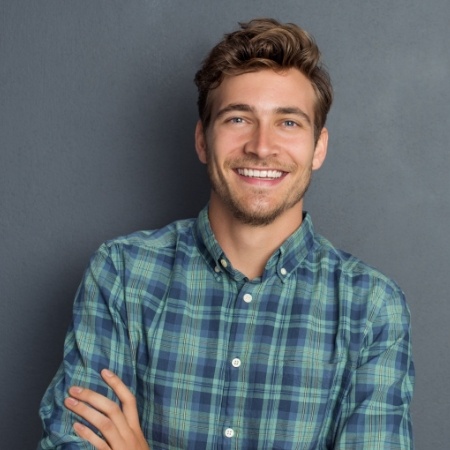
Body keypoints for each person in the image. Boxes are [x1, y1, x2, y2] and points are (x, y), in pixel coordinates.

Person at [37, 18, 414, 449]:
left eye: (288, 123)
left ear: (319, 148)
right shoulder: (122, 274)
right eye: (238, 118)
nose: (261, 145)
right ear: (203, 139)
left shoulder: (371, 308)